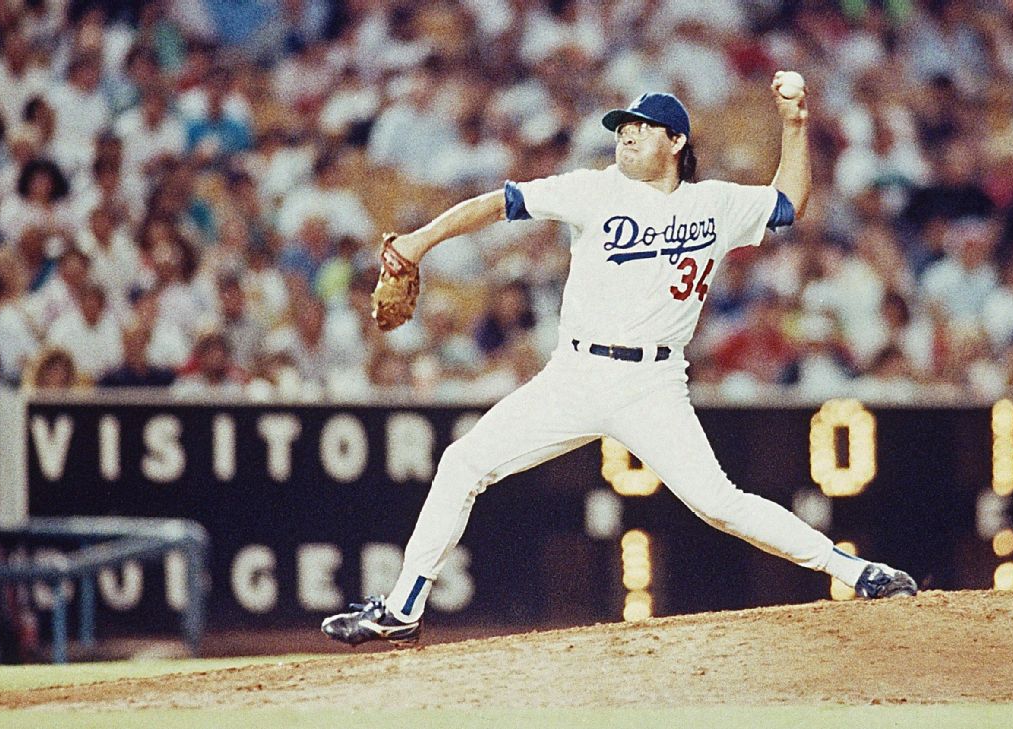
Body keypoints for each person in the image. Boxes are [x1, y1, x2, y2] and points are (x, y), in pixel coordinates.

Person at [322, 76, 918, 648]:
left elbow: (788, 202)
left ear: (677, 141)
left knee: (720, 504)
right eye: (622, 127)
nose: (627, 135)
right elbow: (498, 204)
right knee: (463, 462)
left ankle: (854, 570)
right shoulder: (595, 188)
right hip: (573, 376)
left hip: (652, 384)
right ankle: (402, 609)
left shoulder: (715, 203)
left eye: (643, 127)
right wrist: (419, 242)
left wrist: (793, 123)